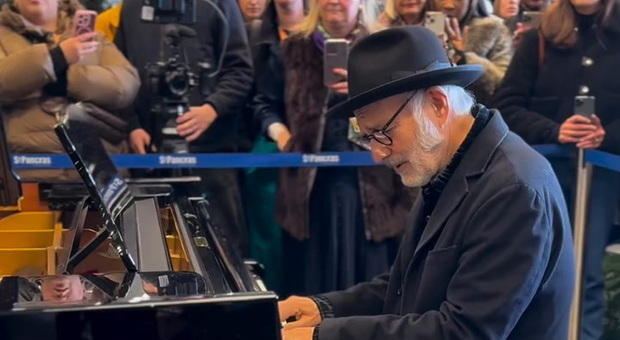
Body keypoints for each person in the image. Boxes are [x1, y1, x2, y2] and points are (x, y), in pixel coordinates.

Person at [278, 25, 575, 340]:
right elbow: (410, 284)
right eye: (368, 139)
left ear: (437, 104)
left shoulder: (512, 189)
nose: (377, 154)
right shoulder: (450, 160)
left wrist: (322, 335)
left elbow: (463, 331)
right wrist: (325, 309)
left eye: (383, 133)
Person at [266, 0, 413, 296]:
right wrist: (281, 134)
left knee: (371, 282)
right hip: (309, 191)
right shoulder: (292, 47)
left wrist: (363, 91)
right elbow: (263, 104)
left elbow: (408, 106)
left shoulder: (384, 47)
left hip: (376, 187)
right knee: (311, 279)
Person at [491, 0, 620, 338]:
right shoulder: (540, 39)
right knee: (531, 268)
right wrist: (554, 131)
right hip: (539, 177)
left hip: (599, 176)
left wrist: (607, 135)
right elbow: (506, 106)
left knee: (586, 272)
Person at [114, 0, 253, 255]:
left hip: (209, 155)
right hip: (149, 157)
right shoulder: (132, 6)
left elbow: (240, 70)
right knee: (151, 254)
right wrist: (133, 125)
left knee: (222, 252)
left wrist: (212, 109)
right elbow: (120, 74)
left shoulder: (218, 5)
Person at [0, 0, 139, 182]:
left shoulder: (92, 36)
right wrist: (57, 58)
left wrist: (65, 80)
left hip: (99, 178)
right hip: (26, 175)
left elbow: (125, 86)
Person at [431, 0, 513, 105]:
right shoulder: (421, 28)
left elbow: (503, 84)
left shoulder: (494, 28)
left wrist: (464, 59)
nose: (448, 5)